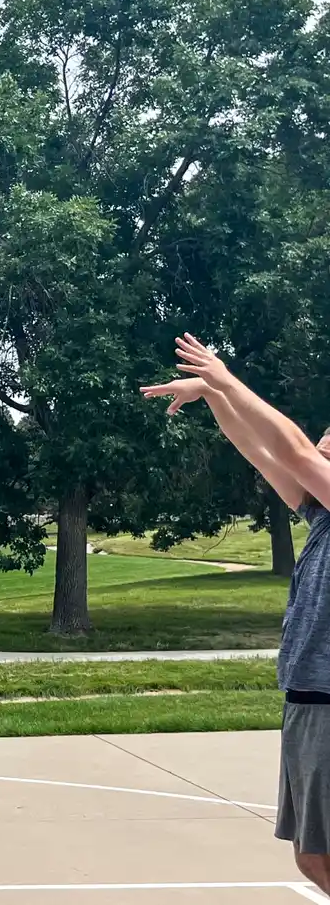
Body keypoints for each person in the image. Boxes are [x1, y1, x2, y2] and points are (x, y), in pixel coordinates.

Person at [141, 333, 330, 894]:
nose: (321, 445)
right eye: (324, 437)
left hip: (327, 702)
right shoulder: (319, 512)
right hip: (308, 699)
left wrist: (225, 378)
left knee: (319, 855)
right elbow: (263, 450)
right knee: (313, 856)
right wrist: (216, 396)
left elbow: (291, 446)